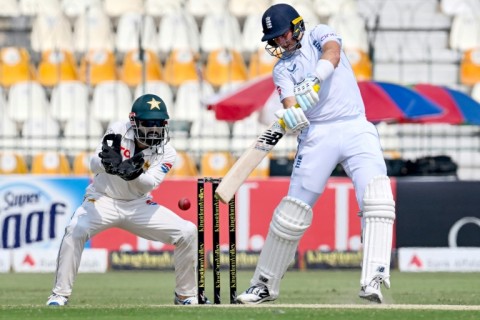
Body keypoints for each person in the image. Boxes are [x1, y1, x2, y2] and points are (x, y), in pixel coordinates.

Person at [236, 4, 395, 304]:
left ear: (296, 26)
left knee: (378, 197)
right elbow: (290, 102)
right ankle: (264, 285)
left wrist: (317, 77)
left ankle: (373, 277)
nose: (280, 42)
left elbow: (333, 53)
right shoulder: (282, 68)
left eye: (282, 35)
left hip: (355, 125)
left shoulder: (319, 33)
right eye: (274, 39)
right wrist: (293, 115)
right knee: (291, 212)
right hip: (317, 134)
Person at [46, 94, 206, 306]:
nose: (154, 130)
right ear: (134, 122)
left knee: (187, 231)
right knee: (75, 230)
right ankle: (59, 295)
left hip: (138, 205)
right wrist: (109, 165)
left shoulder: (168, 152)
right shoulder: (118, 129)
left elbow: (149, 184)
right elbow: (94, 163)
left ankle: (185, 294)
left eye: (159, 124)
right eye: (148, 123)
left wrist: (131, 173)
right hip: (102, 199)